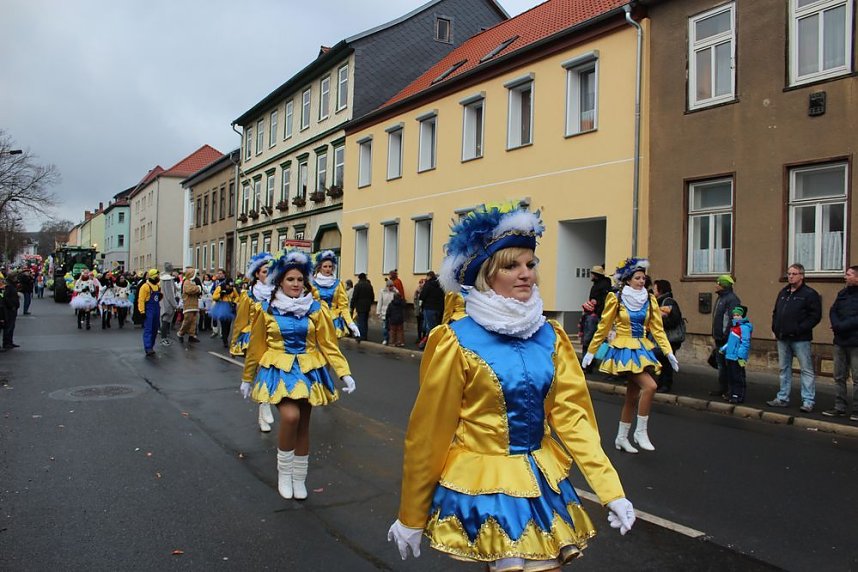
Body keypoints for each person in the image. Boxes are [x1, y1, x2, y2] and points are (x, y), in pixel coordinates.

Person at [388, 204, 635, 566]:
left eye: (530, 265)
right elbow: (429, 432)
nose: (525, 274)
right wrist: (412, 513)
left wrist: (611, 491)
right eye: (511, 266)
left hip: (539, 480)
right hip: (485, 484)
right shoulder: (456, 341)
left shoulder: (551, 337)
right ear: (487, 275)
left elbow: (573, 418)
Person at [240, 250, 357, 500]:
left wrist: (344, 373)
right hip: (279, 371)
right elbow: (257, 347)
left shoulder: (316, 309)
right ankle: (284, 473)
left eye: (299, 280)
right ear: (280, 281)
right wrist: (247, 378)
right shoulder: (267, 309)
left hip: (309, 371)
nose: (295, 284)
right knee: (290, 417)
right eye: (290, 279)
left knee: (303, 425)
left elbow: (328, 344)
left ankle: (298, 477)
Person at [582, 258, 678, 453]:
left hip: (642, 346)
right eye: (637, 277)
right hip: (624, 349)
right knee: (650, 386)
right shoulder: (616, 298)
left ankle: (621, 438)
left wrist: (668, 352)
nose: (642, 281)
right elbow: (604, 326)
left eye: (644, 278)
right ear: (627, 280)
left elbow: (657, 329)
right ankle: (640, 432)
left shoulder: (649, 299)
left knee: (632, 397)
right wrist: (591, 351)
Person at [767, 263, 822, 413]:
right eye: (789, 273)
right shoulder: (784, 292)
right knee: (784, 368)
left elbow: (815, 316)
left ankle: (808, 400)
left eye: (794, 274)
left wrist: (799, 328)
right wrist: (775, 328)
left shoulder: (809, 294)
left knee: (806, 369)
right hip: (783, 337)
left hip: (801, 338)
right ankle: (782, 397)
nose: (790, 276)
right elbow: (776, 311)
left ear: (802, 276)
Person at [231, 252, 276, 433]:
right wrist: (235, 344)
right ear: (257, 274)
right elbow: (240, 321)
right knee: (261, 374)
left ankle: (263, 409)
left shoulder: (279, 294)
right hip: (254, 339)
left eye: (271, 271)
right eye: (265, 271)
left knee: (271, 374)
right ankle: (264, 407)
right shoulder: (248, 296)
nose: (269, 275)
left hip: (274, 340)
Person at [824, 265, 858, 420]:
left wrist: (842, 326)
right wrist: (836, 325)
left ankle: (856, 410)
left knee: (857, 378)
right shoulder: (843, 294)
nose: (846, 277)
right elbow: (833, 310)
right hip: (840, 341)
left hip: (855, 342)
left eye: (849, 274)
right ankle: (840, 407)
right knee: (839, 376)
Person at [310, 250, 360, 339]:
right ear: (319, 267)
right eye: (325, 266)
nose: (328, 269)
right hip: (316, 320)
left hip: (333, 321)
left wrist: (351, 323)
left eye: (330, 266)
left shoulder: (338, 284)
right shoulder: (312, 283)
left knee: (331, 350)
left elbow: (343, 306)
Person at [710, 275, 741, 398]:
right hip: (719, 337)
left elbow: (733, 319)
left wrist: (726, 334)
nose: (716, 285)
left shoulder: (732, 299)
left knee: (730, 366)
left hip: (727, 338)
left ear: (723, 285)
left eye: (718, 283)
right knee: (721, 365)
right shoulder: (720, 298)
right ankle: (723, 388)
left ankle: (731, 390)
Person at [652, 279, 683, 393]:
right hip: (663, 337)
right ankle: (661, 384)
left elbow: (674, 320)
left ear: (660, 290)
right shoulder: (659, 301)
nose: (653, 291)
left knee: (666, 361)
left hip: (670, 338)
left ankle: (666, 384)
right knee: (662, 360)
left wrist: (658, 322)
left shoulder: (668, 302)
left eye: (655, 289)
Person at [720, 306, 752, 404]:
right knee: (731, 376)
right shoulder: (734, 327)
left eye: (738, 315)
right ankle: (732, 393)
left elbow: (745, 343)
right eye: (734, 315)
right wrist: (723, 349)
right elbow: (730, 342)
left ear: (742, 316)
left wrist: (741, 356)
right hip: (730, 356)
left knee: (738, 377)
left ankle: (738, 395)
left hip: (737, 357)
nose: (735, 317)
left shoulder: (744, 328)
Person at [581, 265, 612, 363]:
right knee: (596, 339)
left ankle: (588, 362)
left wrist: (595, 310)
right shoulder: (604, 284)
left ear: (596, 275)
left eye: (592, 274)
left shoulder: (599, 286)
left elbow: (600, 301)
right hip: (598, 315)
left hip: (595, 315)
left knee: (589, 339)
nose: (591, 276)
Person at [137, 269, 162, 357]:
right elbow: (141, 299)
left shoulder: (158, 286)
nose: (158, 278)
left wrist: (160, 297)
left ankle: (151, 346)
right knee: (149, 329)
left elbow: (158, 298)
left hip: (156, 309)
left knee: (155, 329)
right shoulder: (145, 286)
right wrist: (142, 311)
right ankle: (148, 347)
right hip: (149, 310)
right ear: (153, 276)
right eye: (157, 276)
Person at [417, 270, 444, 347]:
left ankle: (428, 344)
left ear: (429, 276)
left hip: (429, 308)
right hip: (439, 309)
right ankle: (435, 342)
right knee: (436, 326)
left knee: (429, 327)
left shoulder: (428, 284)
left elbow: (422, 296)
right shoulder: (441, 285)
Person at [176, 268, 203, 344]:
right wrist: (198, 288)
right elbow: (190, 290)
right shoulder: (187, 282)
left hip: (194, 303)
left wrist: (198, 289)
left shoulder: (192, 282)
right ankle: (180, 333)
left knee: (193, 321)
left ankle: (192, 335)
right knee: (187, 320)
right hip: (188, 304)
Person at [211, 278, 239, 349]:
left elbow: (237, 296)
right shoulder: (220, 287)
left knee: (228, 325)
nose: (229, 287)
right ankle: (225, 340)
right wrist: (220, 294)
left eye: (231, 286)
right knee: (223, 324)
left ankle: (226, 336)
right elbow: (214, 297)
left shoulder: (233, 289)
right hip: (222, 306)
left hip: (230, 306)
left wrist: (234, 302)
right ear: (226, 284)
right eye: (228, 286)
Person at [349, 273, 374, 342]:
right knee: (365, 321)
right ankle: (364, 335)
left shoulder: (358, 286)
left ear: (359, 278)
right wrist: (370, 303)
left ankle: (360, 336)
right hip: (367, 306)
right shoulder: (369, 286)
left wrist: (352, 306)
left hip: (360, 306)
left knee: (360, 321)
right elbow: (372, 296)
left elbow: (354, 297)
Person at [0, 272, 20, 350]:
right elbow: (6, 298)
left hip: (12, 308)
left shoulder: (11, 285)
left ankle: (9, 342)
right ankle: (7, 343)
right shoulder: (8, 286)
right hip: (10, 309)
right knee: (8, 326)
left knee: (11, 326)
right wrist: (12, 306)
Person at [159, 272, 178, 345]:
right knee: (165, 320)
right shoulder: (167, 283)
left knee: (165, 320)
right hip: (167, 304)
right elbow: (170, 296)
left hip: (164, 303)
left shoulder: (164, 282)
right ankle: (164, 338)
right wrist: (174, 305)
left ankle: (164, 337)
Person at [376, 279, 396, 345]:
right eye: (389, 286)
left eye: (392, 286)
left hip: (392, 312)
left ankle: (391, 339)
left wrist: (395, 291)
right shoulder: (382, 292)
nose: (390, 287)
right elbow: (380, 302)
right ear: (387, 286)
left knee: (391, 327)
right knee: (385, 327)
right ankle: (385, 339)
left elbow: (398, 299)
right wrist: (378, 311)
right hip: (384, 311)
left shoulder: (395, 291)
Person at [413, 278, 425, 342]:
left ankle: (423, 337)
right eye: (419, 283)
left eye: (421, 282)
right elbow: (415, 300)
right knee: (419, 324)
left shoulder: (425, 290)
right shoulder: (417, 291)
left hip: (423, 309)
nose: (420, 284)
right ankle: (419, 337)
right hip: (418, 309)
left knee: (423, 324)